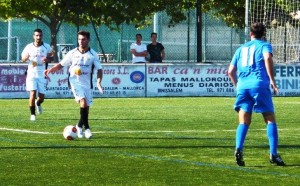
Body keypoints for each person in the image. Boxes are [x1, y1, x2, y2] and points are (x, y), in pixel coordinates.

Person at [228, 22, 285, 166]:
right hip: (258, 84)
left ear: (250, 34)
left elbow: (230, 71)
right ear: (264, 34)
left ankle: (238, 149)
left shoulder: (240, 49)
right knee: (270, 119)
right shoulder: (264, 45)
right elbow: (267, 58)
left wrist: (237, 86)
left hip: (243, 86)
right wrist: (272, 80)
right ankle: (273, 154)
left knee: (244, 121)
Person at [44, 30, 103, 139]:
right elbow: (61, 65)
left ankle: (79, 126)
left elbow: (100, 69)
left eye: (83, 39)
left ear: (88, 40)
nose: (81, 41)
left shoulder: (93, 54)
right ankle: (88, 129)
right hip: (74, 82)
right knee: (83, 103)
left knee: (86, 108)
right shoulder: (72, 53)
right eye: (79, 39)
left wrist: (99, 82)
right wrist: (50, 70)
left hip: (87, 83)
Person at [21, 28, 53, 121]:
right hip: (31, 73)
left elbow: (52, 57)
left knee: (41, 97)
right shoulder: (29, 47)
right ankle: (32, 114)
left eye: (40, 35)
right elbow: (23, 58)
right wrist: (25, 58)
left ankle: (38, 103)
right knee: (32, 93)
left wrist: (48, 60)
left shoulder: (47, 47)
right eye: (36, 35)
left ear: (42, 36)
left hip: (42, 73)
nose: (38, 37)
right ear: (33, 36)